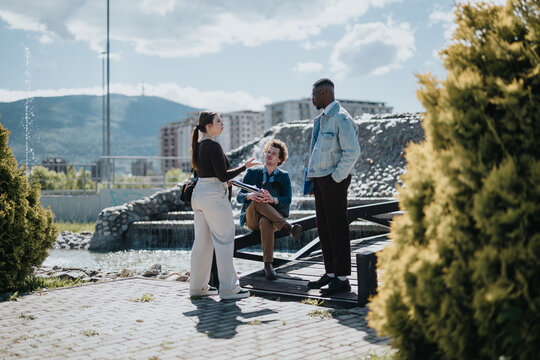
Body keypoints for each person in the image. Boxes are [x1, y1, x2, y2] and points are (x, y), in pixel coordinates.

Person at [189, 111, 260, 300]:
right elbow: (223, 176)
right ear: (208, 126)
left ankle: (197, 287)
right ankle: (229, 289)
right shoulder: (213, 145)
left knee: (202, 243)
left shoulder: (199, 145)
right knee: (224, 242)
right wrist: (245, 167)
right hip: (214, 196)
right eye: (218, 121)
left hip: (199, 195)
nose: (222, 124)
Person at [306, 78, 361, 296]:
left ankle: (341, 279)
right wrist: (314, 180)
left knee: (337, 228)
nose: (312, 99)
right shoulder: (322, 119)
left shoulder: (341, 118)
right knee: (324, 229)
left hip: (333, 180)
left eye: (314, 95)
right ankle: (330, 273)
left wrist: (336, 177)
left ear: (324, 93)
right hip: (321, 179)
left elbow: (352, 152)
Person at [237, 139, 303, 280]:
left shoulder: (284, 176)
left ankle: (268, 265)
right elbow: (239, 197)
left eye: (274, 153)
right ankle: (288, 227)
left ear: (280, 159)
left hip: (271, 219)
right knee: (257, 199)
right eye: (268, 152)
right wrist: (251, 195)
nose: (269, 155)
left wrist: (272, 199)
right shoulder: (252, 173)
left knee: (266, 221)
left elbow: (288, 199)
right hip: (252, 217)